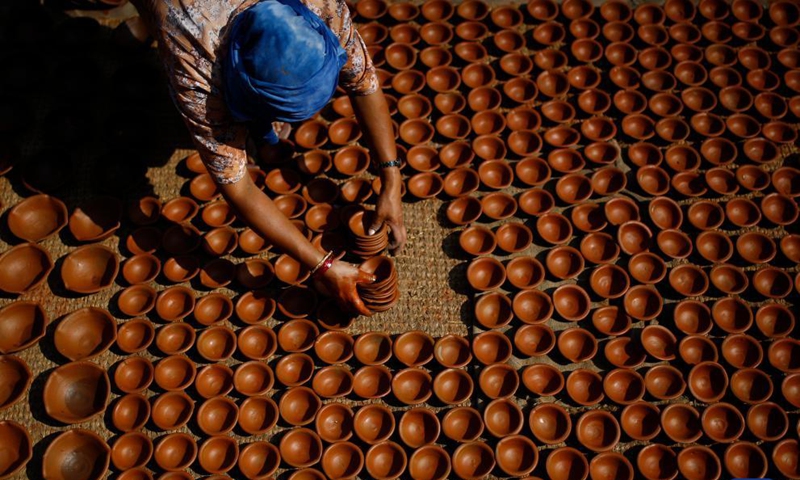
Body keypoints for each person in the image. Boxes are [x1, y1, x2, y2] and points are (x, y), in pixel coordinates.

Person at [124, 0, 407, 315]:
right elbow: (239, 188)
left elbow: (363, 83)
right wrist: (322, 266)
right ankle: (143, 22)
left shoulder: (319, 9)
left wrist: (391, 178)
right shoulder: (197, 68)